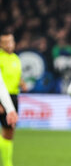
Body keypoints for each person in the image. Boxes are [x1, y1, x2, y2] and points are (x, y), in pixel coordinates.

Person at [0, 31, 27, 166]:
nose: (9, 45)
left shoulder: (16, 58)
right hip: (2, 98)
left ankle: (7, 162)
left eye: (11, 41)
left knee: (10, 131)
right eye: (6, 42)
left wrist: (22, 83)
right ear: (1, 44)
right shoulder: (0, 58)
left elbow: (16, 76)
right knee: (6, 131)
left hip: (13, 97)